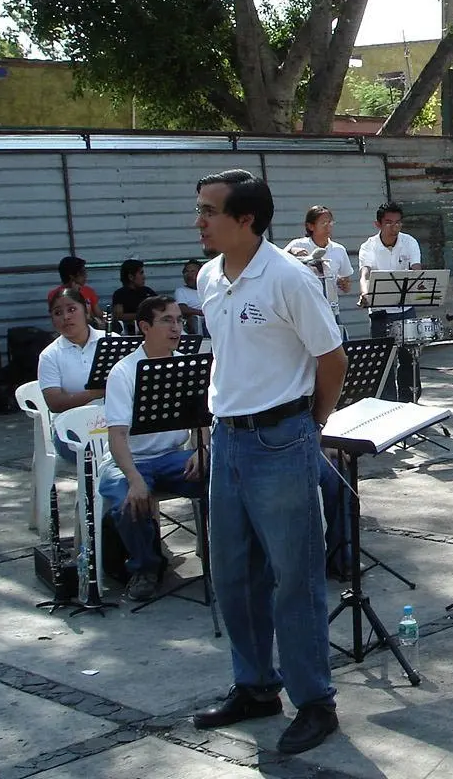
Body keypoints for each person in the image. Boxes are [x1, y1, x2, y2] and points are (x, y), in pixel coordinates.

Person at [190, 169, 347, 755]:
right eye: (200, 208)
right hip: (226, 439)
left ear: (246, 219)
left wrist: (313, 423)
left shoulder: (288, 278)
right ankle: (255, 685)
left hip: (281, 439)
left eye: (210, 211)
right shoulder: (210, 276)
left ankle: (314, 701)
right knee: (232, 573)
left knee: (294, 578)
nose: (199, 220)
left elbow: (331, 360)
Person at [96, 295, 203, 601]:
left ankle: (225, 558)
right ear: (144, 327)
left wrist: (202, 450)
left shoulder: (186, 364)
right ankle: (145, 568)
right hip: (129, 461)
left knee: (224, 477)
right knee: (125, 498)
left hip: (173, 457)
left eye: (179, 320)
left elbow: (205, 422)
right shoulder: (124, 372)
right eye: (167, 320)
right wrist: (134, 478)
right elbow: (116, 436)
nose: (177, 328)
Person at [357, 202, 423, 402]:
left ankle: (409, 403)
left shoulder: (409, 242)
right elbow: (365, 274)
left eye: (397, 223)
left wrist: (418, 280)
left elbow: (417, 269)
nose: (394, 227)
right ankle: (387, 404)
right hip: (380, 312)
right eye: (388, 223)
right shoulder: (368, 246)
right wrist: (365, 294)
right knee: (384, 360)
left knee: (409, 359)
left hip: (406, 310)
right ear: (378, 224)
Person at [38, 287, 106, 457]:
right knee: (101, 451)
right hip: (71, 430)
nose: (66, 317)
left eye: (72, 309)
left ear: (87, 311)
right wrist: (93, 393)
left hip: (113, 423)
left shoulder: (111, 341)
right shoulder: (50, 355)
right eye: (58, 313)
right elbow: (55, 403)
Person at [286, 205, 355, 323]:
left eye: (330, 222)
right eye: (323, 223)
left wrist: (344, 284)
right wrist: (292, 251)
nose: (328, 226)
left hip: (331, 311)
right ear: (310, 226)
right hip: (305, 311)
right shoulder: (298, 244)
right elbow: (279, 260)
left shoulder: (339, 250)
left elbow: (347, 286)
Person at [47, 256, 102, 324]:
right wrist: (74, 294)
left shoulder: (88, 291)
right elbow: (58, 318)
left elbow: (98, 314)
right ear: (72, 276)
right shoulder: (55, 295)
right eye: (83, 273)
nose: (86, 276)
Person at [111, 259, 157, 334]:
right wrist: (142, 316)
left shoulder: (148, 291)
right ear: (131, 277)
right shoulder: (120, 294)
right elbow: (118, 316)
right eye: (141, 273)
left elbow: (160, 307)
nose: (144, 277)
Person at [175, 259, 205, 334]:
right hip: (196, 321)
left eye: (192, 271)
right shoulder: (181, 291)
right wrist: (202, 313)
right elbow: (182, 309)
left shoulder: (208, 289)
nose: (189, 274)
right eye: (186, 272)